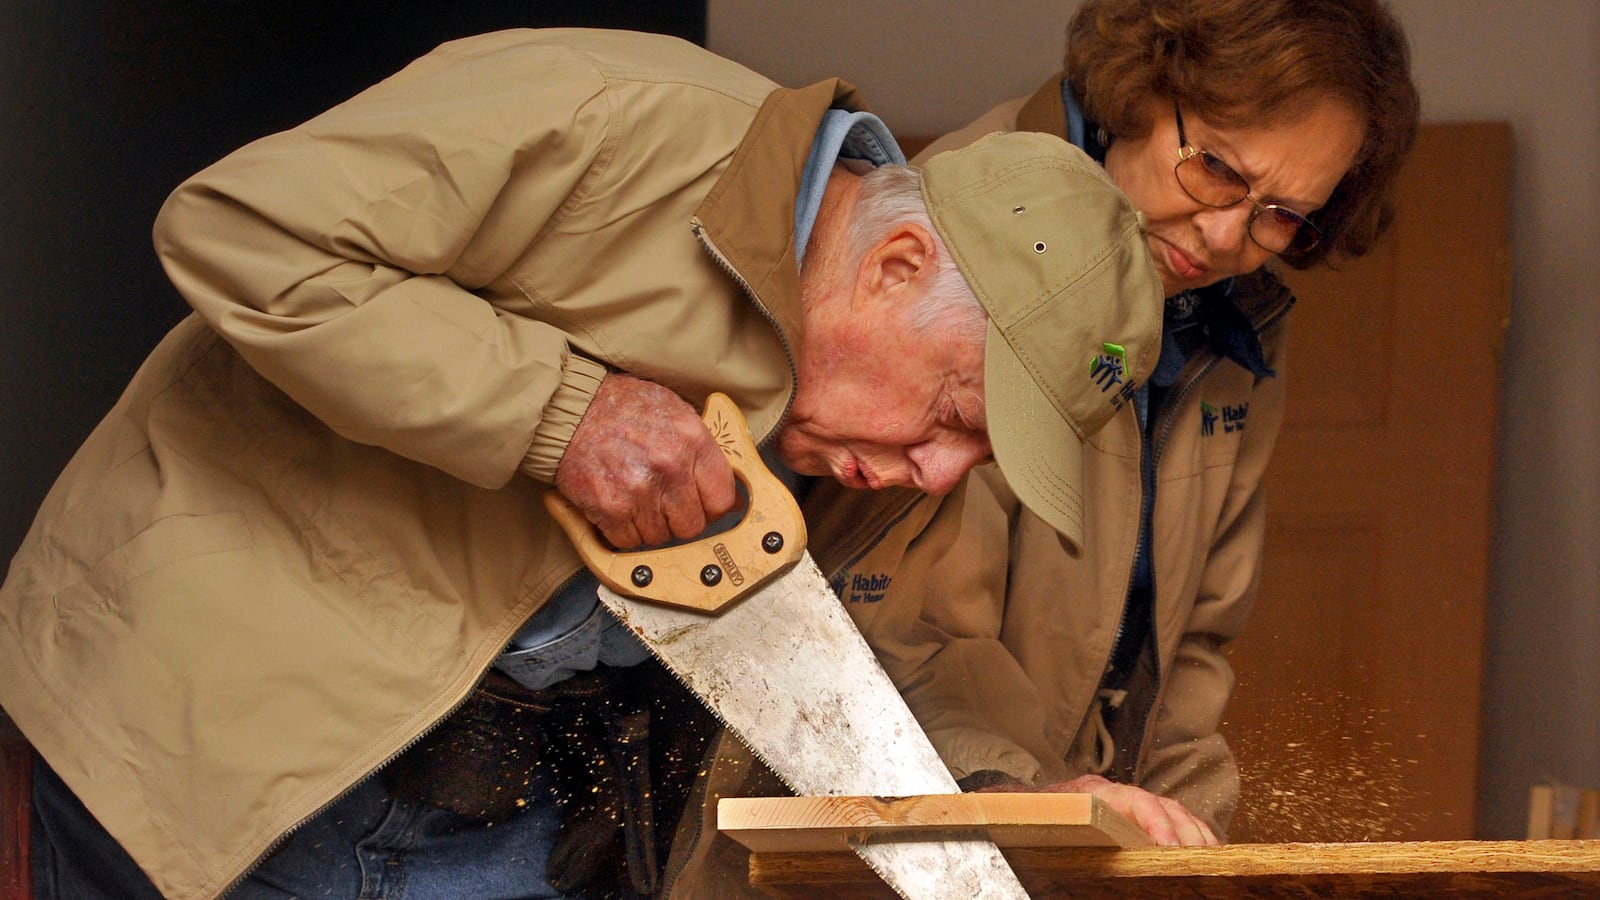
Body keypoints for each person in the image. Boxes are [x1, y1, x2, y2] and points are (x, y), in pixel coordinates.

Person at [0, 27, 1166, 900]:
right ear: (896, 264)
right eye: (956, 411)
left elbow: (873, 656)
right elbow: (239, 230)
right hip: (218, 750)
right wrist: (565, 413)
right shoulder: (622, 120)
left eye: (979, 453)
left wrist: (1011, 802)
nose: (938, 472)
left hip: (502, 816)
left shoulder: (855, 433)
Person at [667, 0, 1422, 879]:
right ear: (1140, 89)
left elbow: (1191, 649)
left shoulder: (1236, 318)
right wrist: (1042, 808)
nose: (1228, 237)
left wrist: (1185, 859)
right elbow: (895, 633)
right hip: (923, 821)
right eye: (1216, 167)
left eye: (1284, 214)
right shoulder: (973, 245)